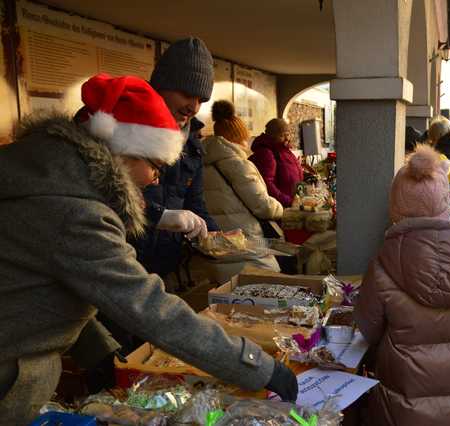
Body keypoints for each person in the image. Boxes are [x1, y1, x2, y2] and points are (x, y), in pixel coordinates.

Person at [0, 74, 297, 425]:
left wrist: (102, 352)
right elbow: (149, 306)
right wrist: (256, 365)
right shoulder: (78, 212)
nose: (155, 180)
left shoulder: (47, 176)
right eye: (155, 166)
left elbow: (48, 285)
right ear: (122, 151)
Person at [355, 144, 450, 426]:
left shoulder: (383, 264)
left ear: (396, 209)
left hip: (399, 405)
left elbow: (368, 329)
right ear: (444, 202)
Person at [134, 37, 219, 280]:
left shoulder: (192, 142)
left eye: (201, 100)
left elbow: (195, 202)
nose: (193, 107)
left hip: (164, 263)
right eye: (186, 94)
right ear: (161, 86)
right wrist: (159, 215)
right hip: (121, 260)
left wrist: (218, 239)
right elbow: (101, 194)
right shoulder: (120, 129)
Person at [201, 100, 284, 281]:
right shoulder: (238, 163)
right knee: (266, 289)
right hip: (245, 241)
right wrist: (281, 208)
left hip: (217, 241)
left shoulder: (203, 161)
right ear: (238, 137)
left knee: (227, 296)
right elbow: (262, 206)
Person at [249, 119, 303, 207]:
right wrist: (289, 201)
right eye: (282, 135)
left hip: (293, 203)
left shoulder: (283, 149)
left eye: (288, 134)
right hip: (281, 207)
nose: (287, 138)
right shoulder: (266, 153)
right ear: (271, 136)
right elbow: (267, 184)